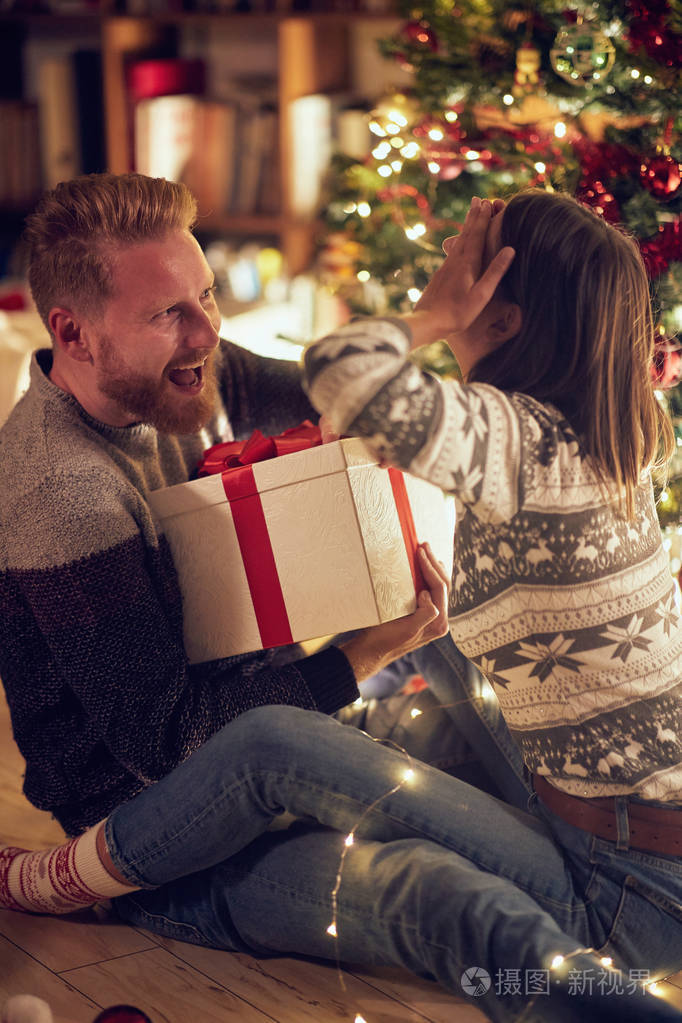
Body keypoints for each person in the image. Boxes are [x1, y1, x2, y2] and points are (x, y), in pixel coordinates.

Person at [1, 178, 681, 1023]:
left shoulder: (183, 376)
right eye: (170, 313)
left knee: (429, 698)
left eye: (206, 295)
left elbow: (344, 398)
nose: (208, 332)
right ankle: (84, 881)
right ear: (72, 331)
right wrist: (360, 656)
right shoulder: (62, 491)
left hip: (277, 737)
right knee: (427, 887)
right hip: (169, 830)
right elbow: (163, 745)